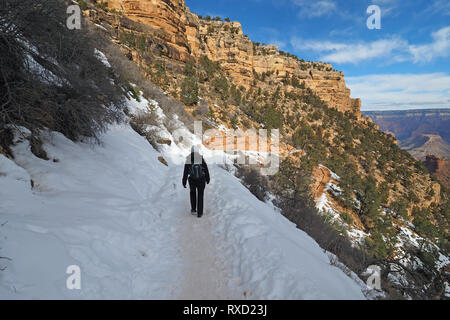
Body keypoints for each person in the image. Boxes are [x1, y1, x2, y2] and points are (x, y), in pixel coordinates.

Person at [182, 145, 210, 218]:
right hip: (201, 179)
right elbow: (206, 169)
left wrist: (184, 181)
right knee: (200, 194)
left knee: (192, 193)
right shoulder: (201, 158)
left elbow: (185, 172)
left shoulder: (188, 158)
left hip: (192, 180)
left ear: (191, 151)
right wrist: (208, 178)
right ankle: (200, 213)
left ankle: (194, 209)